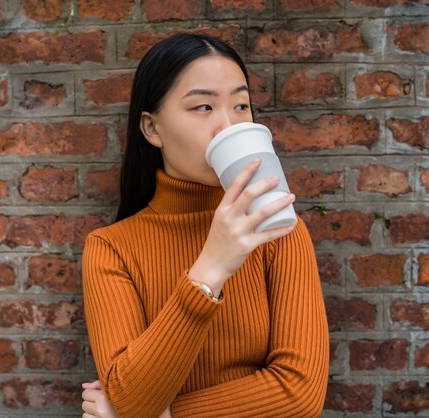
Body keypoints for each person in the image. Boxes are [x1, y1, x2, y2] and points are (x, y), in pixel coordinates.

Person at [80, 33, 329, 418]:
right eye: (203, 107)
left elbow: (299, 396)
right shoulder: (111, 249)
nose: (227, 125)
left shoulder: (280, 230)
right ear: (152, 129)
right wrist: (211, 268)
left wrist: (164, 416)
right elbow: (131, 397)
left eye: (241, 105)